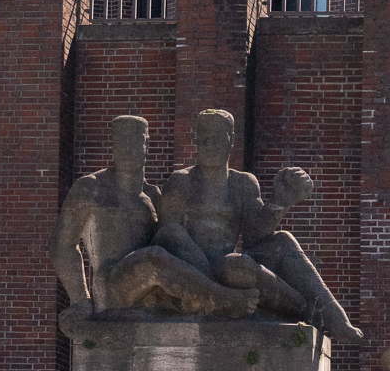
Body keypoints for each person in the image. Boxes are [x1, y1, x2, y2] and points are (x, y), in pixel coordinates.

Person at [154, 109, 363, 344]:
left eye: (217, 138)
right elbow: (169, 237)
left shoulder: (243, 183)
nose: (208, 144)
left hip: (228, 264)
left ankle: (330, 314)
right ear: (196, 140)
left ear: (230, 140)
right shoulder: (181, 181)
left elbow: (256, 236)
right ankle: (308, 312)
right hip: (195, 270)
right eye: (203, 137)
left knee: (281, 240)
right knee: (237, 266)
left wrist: (280, 202)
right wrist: (207, 278)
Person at [50, 115, 258, 337]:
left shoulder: (153, 195)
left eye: (135, 141)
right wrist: (80, 300)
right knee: (153, 257)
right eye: (121, 142)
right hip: (114, 287)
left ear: (146, 145)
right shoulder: (92, 188)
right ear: (112, 145)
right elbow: (62, 245)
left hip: (152, 291)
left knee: (171, 235)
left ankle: (219, 290)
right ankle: (219, 298)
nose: (127, 148)